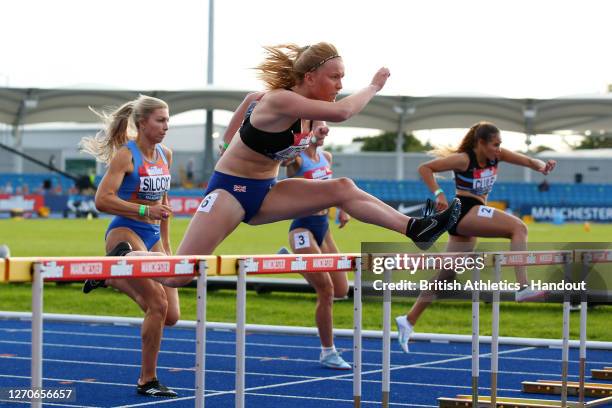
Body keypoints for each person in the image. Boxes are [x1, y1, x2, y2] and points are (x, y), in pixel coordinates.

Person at [153, 42, 460, 292]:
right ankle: (126, 258)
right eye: (335, 77)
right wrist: (373, 86)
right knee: (176, 276)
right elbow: (343, 112)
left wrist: (279, 153)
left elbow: (317, 126)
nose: (340, 85)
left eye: (342, 77)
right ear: (310, 76)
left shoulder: (313, 114)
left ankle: (417, 228)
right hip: (230, 192)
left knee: (343, 188)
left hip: (266, 192)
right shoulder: (279, 100)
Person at [395, 121, 557, 353]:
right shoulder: (464, 159)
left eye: (500, 144)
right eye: (494, 144)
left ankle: (408, 320)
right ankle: (523, 287)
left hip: (471, 216)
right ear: (480, 143)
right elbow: (425, 168)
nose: (498, 149)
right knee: (518, 228)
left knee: (446, 275)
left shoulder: (496, 156)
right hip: (465, 210)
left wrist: (543, 166)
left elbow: (530, 161)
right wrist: (438, 193)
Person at [78, 95, 178, 397]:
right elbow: (102, 200)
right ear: (142, 123)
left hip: (152, 237)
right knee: (157, 303)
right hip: (125, 233)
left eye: (167, 120)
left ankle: (110, 274)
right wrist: (145, 211)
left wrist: (168, 246)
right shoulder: (126, 155)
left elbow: (164, 204)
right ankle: (147, 380)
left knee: (171, 315)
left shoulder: (166, 155)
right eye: (160, 120)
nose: (166, 126)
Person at [283, 127, 352, 369]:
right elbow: (286, 162)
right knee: (327, 290)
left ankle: (290, 260)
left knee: (342, 289)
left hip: (324, 228)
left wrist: (343, 208)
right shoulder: (297, 160)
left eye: (325, 127)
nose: (324, 131)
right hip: (302, 228)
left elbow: (333, 188)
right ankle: (328, 351)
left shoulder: (327, 157)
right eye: (317, 127)